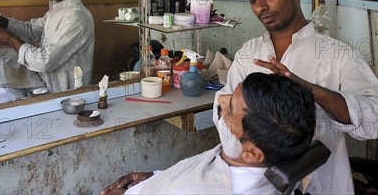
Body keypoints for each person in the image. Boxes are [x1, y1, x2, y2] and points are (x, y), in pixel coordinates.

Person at [215, 0, 378, 195]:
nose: (260, 7)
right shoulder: (248, 56)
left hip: (323, 184)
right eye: (252, 0)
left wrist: (310, 91)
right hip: (261, 186)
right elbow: (223, 115)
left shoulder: (336, 55)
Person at [101, 72, 317, 195]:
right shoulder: (269, 163)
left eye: (231, 108)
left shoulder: (198, 190)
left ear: (252, 153)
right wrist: (155, 178)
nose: (221, 100)